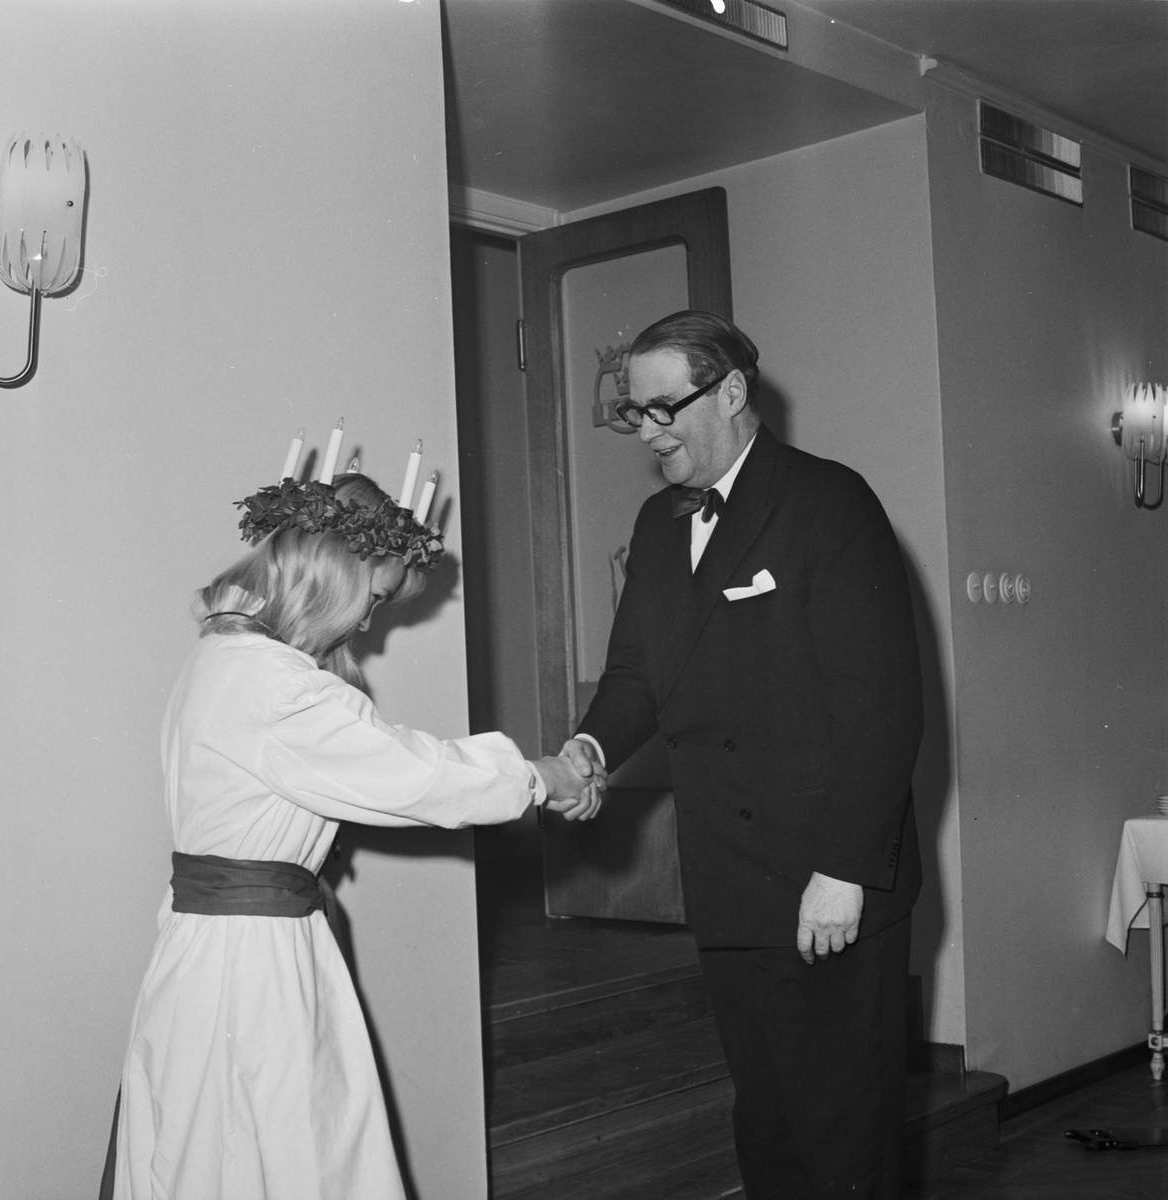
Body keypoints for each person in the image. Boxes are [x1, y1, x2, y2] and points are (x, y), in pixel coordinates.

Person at [102, 467, 600, 1200]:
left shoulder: (221, 656)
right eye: (374, 598)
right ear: (334, 574)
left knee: (221, 1146)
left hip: (210, 949)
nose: (368, 623)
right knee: (278, 1150)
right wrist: (539, 777)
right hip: (252, 964)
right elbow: (413, 774)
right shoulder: (278, 686)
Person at [562, 311, 923, 1199]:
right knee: (766, 1124)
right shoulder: (657, 525)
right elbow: (637, 673)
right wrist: (587, 749)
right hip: (727, 875)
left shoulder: (828, 501)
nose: (647, 434)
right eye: (634, 413)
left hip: (824, 880)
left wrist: (843, 870)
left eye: (663, 409)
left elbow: (880, 706)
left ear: (729, 391)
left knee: (843, 1136)